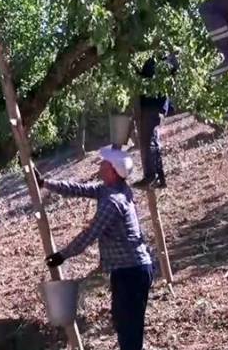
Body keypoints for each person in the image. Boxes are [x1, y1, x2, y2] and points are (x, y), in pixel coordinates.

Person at [35, 146, 154, 350]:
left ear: (113, 171)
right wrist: (45, 183)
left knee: (129, 327)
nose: (100, 165)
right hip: (127, 270)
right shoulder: (111, 189)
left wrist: (63, 255)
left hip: (131, 272)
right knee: (124, 322)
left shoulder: (113, 202)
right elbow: (78, 189)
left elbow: (90, 234)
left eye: (104, 163)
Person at [132, 55, 177, 190]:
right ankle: (159, 178)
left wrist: (136, 71)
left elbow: (147, 75)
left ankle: (152, 176)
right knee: (152, 139)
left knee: (148, 140)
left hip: (152, 103)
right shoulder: (163, 55)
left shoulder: (156, 56)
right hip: (156, 104)